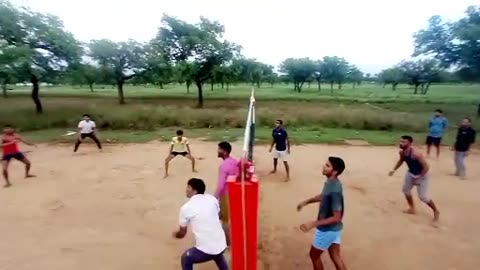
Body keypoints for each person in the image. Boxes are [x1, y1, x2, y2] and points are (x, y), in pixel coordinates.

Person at [297, 156, 347, 270]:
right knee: (335, 256)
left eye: (327, 166)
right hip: (335, 229)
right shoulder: (330, 183)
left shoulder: (334, 189)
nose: (323, 167)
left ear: (335, 171)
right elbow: (323, 197)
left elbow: (336, 217)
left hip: (327, 229)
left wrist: (313, 223)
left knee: (314, 256)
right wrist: (307, 201)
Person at [173, 178, 229, 270]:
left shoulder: (186, 208)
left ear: (195, 191)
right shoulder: (212, 199)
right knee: (217, 254)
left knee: (186, 258)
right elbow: (218, 214)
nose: (186, 189)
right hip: (222, 244)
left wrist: (176, 235)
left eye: (188, 187)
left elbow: (182, 233)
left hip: (206, 250)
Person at [389, 135, 440, 222]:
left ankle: (436, 211)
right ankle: (412, 208)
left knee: (423, 197)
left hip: (422, 176)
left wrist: (419, 178)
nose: (401, 143)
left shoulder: (416, 154)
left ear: (410, 143)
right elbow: (401, 161)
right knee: (406, 191)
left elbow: (426, 167)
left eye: (404, 142)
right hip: (411, 173)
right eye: (401, 141)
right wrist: (394, 170)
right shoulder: (402, 152)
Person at [214, 141, 239, 247]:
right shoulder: (234, 161)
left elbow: (220, 186)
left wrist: (214, 198)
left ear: (224, 152)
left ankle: (228, 243)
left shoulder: (224, 166)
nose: (217, 151)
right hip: (234, 193)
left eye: (219, 149)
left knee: (225, 220)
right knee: (221, 215)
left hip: (225, 195)